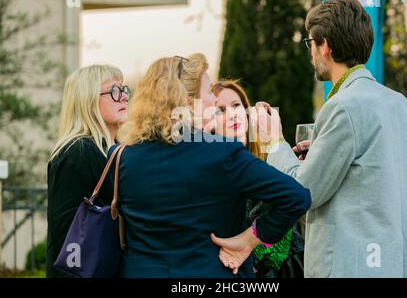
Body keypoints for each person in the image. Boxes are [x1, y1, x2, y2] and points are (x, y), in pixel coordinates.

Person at [251, 0, 407, 277]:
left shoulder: (343, 106)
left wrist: (273, 142)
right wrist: (321, 156)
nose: (311, 53)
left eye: (311, 43)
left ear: (326, 47)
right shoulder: (399, 104)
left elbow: (303, 192)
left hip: (354, 267)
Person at [110, 55, 311, 278]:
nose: (213, 102)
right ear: (187, 101)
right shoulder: (223, 153)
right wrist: (249, 239)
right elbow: (297, 197)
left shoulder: (120, 157)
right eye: (207, 92)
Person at [211, 79, 305, 278]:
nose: (232, 114)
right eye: (220, 110)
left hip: (292, 268)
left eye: (236, 106)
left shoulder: (268, 162)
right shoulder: (212, 176)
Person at [46, 65, 129, 277]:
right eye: (114, 91)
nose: (124, 97)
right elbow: (67, 231)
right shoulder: (77, 151)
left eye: (124, 89)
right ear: (88, 101)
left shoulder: (114, 151)